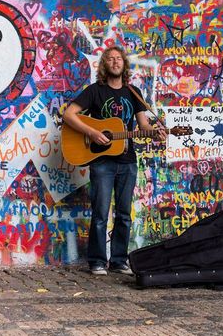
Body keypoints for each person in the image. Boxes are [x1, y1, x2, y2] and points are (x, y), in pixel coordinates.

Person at [63, 46, 166, 275]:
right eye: (110, 59)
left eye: (119, 58)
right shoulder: (95, 91)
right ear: (104, 65)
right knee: (100, 213)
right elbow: (69, 114)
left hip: (127, 161)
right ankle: (98, 261)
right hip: (102, 162)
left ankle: (119, 261)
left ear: (124, 64)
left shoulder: (134, 92)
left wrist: (154, 132)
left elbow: (143, 126)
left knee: (124, 214)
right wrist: (91, 133)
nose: (115, 62)